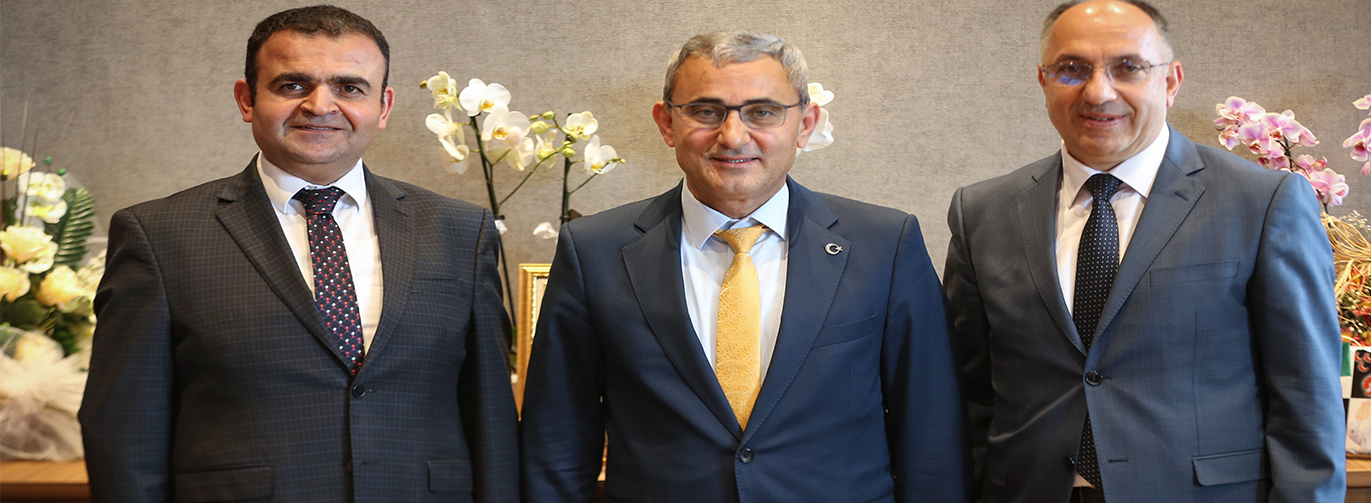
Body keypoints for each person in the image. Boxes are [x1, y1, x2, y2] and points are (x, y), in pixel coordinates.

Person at [78, 6, 518, 502]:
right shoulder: (158, 235)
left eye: (349, 88)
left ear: (384, 106)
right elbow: (124, 430)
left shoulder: (461, 231)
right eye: (292, 85)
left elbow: (491, 416)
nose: (320, 105)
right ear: (247, 99)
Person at [520, 31, 969, 502]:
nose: (733, 136)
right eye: (705, 111)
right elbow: (557, 442)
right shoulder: (593, 251)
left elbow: (932, 434)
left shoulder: (885, 245)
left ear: (806, 124)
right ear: (667, 123)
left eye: (762, 112)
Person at [944, 1, 1346, 502]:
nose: (1098, 92)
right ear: (1043, 81)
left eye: (1128, 67)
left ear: (1171, 81)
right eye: (1072, 69)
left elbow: (1307, 398)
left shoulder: (1263, 203)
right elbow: (969, 394)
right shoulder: (982, 212)